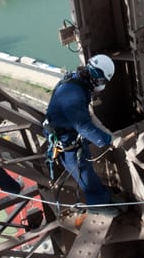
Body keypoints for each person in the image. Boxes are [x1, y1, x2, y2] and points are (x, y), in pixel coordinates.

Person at [44, 54, 120, 214]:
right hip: (65, 141)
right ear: (96, 77)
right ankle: (98, 208)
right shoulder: (74, 95)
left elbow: (86, 115)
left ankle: (105, 197)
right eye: (102, 81)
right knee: (85, 175)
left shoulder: (75, 81)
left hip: (69, 134)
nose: (101, 85)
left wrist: (106, 131)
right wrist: (107, 139)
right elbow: (83, 126)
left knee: (86, 166)